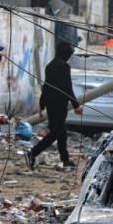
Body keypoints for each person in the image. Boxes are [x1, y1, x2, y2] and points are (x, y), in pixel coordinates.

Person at [24, 42, 83, 170]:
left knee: (62, 132)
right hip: (59, 104)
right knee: (56, 133)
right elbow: (67, 87)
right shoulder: (64, 66)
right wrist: (76, 105)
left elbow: (46, 86)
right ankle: (32, 153)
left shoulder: (50, 65)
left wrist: (42, 104)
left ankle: (65, 160)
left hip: (51, 104)